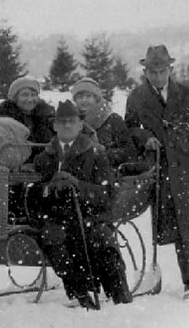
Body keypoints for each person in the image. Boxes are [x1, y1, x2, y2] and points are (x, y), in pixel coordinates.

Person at [124, 45, 189, 299]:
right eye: (152, 72)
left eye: (162, 71)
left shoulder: (188, 93)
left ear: (170, 69)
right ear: (145, 71)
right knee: (181, 231)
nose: (158, 77)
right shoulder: (136, 97)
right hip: (166, 171)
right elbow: (130, 129)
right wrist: (145, 136)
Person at [32, 100, 132, 309]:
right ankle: (80, 292)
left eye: (72, 121)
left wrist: (77, 186)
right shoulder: (45, 158)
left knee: (101, 240)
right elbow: (33, 195)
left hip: (91, 216)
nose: (67, 126)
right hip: (58, 218)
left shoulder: (96, 153)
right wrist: (49, 189)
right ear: (54, 126)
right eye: (62, 122)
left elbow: (107, 194)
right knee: (54, 239)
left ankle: (120, 297)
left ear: (80, 125)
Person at [71, 77, 137, 168]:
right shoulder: (69, 122)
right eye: (80, 96)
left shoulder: (113, 120)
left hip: (108, 173)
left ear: (96, 98)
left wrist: (102, 154)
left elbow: (129, 152)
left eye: (88, 96)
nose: (84, 100)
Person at [0, 76, 54, 162]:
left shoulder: (46, 117)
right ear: (15, 98)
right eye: (25, 95)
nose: (30, 99)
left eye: (33, 95)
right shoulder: (3, 120)